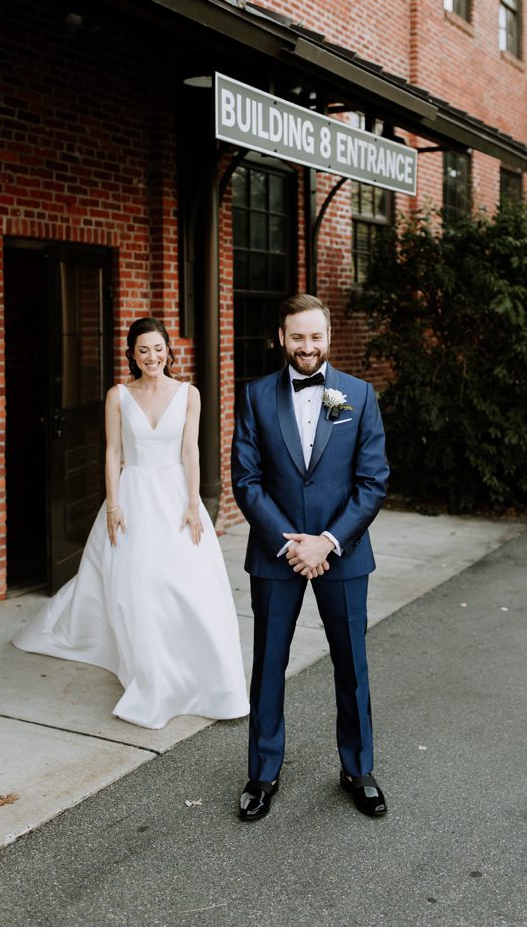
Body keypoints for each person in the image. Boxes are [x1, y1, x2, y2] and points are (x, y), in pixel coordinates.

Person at [12, 317, 249, 730]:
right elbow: (112, 453)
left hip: (176, 496)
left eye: (158, 349)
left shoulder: (188, 394)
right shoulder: (118, 396)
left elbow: (191, 451)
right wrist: (114, 506)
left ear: (169, 351)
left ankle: (204, 676)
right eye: (143, 350)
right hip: (135, 494)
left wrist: (194, 504)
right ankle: (151, 676)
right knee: (138, 586)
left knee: (188, 585)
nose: (152, 357)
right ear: (132, 355)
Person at [232, 293, 389, 822]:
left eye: (316, 336)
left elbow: (373, 483)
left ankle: (358, 769)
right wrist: (291, 541)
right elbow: (247, 481)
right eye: (297, 337)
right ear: (281, 337)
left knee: (352, 666)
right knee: (269, 667)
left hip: (342, 554)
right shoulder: (254, 396)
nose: (307, 347)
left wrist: (326, 541)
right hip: (277, 555)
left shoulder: (359, 396)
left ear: (328, 336)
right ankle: (262, 773)